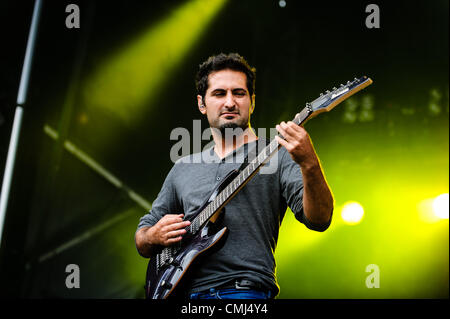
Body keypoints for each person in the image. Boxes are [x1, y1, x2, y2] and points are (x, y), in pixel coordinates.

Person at [135, 53, 334, 299]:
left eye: (238, 93)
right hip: (182, 293)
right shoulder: (183, 166)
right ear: (202, 103)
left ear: (251, 102)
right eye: (219, 94)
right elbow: (143, 236)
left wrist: (310, 164)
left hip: (242, 291)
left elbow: (320, 219)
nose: (230, 102)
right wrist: (152, 235)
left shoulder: (278, 155)